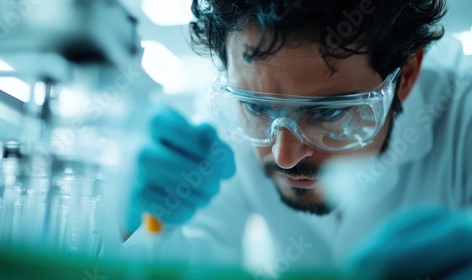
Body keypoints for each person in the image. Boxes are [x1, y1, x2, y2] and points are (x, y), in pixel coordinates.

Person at [124, 0, 472, 278]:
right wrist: (151, 225)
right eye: (257, 107)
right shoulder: (227, 122)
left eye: (328, 112)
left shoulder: (463, 112)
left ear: (406, 76)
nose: (284, 156)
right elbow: (195, 263)